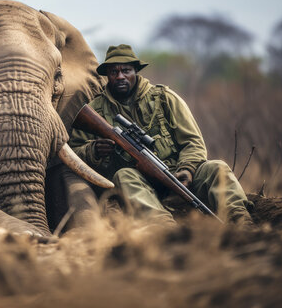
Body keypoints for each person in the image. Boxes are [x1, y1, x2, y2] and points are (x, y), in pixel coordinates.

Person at [69, 44, 253, 225]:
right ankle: (164, 229)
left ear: (136, 71)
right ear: (107, 75)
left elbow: (193, 142)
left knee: (217, 168)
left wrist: (187, 170)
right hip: (137, 182)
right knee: (124, 175)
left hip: (176, 173)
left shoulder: (164, 98)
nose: (120, 76)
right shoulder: (95, 111)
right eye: (113, 72)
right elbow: (73, 153)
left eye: (126, 70)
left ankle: (241, 222)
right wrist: (93, 150)